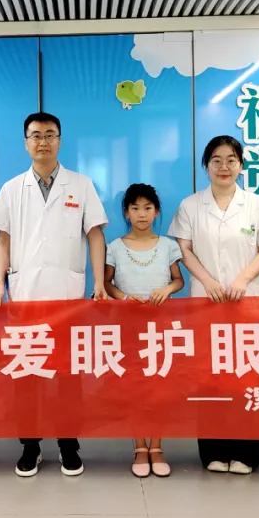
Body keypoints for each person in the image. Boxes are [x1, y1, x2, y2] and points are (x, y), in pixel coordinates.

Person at [0, 112, 109, 477]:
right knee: (27, 372)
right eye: (36, 135)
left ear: (60, 140)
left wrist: (99, 282)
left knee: (68, 374)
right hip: (25, 293)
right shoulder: (12, 188)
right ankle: (30, 445)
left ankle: (69, 444)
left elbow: (95, 234)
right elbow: (2, 239)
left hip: (68, 294)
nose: (43, 142)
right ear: (25, 142)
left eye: (50, 135)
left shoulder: (81, 185)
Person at [169, 135, 259, 475]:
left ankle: (246, 453)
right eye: (216, 160)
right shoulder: (191, 205)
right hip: (206, 300)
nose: (224, 166)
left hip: (246, 299)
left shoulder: (256, 204)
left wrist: (242, 281)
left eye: (231, 160)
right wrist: (208, 282)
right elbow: (184, 250)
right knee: (210, 376)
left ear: (241, 165)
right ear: (206, 166)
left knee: (246, 373)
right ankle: (214, 452)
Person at [103, 183, 183, 478]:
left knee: (160, 387)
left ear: (156, 212)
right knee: (134, 387)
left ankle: (157, 446)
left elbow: (179, 280)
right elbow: (107, 283)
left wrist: (167, 289)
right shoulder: (115, 247)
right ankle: (139, 446)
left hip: (161, 327)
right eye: (135, 208)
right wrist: (124, 298)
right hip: (128, 327)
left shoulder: (168, 245)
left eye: (147, 208)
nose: (141, 214)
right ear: (126, 212)